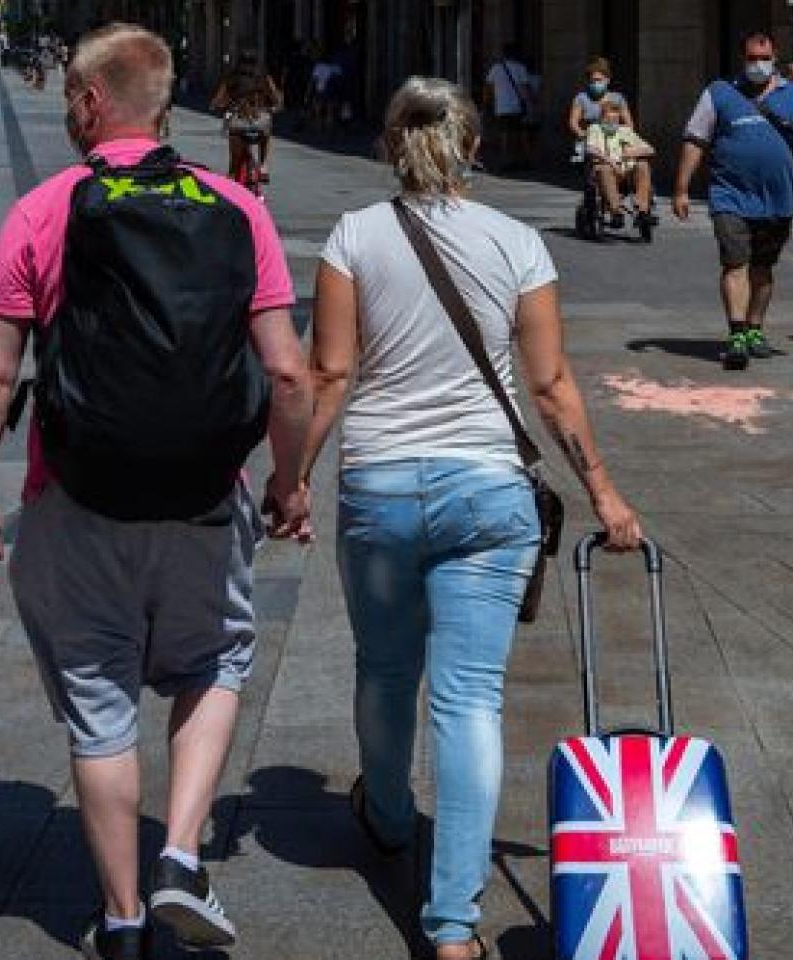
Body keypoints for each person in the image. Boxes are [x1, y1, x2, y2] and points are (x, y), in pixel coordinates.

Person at [0, 23, 312, 960]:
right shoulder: (235, 205)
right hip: (203, 493)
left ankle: (117, 922)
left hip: (78, 497)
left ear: (89, 103)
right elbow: (287, 374)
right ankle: (181, 855)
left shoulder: (43, 210)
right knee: (218, 662)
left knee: (99, 699)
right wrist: (290, 482)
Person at [302, 76, 643, 960]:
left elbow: (330, 373)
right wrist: (602, 490)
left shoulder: (353, 236)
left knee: (384, 669)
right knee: (470, 701)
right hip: (490, 493)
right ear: (473, 148)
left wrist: (291, 477)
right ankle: (452, 926)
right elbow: (550, 382)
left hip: (378, 485)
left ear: (389, 145)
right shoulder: (519, 241)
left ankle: (383, 815)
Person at [673, 33, 793, 370]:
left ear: (775, 58)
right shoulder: (719, 93)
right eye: (751, 58)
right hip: (729, 194)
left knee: (763, 269)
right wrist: (681, 188)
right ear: (742, 59)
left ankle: (754, 328)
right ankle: (736, 334)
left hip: (778, 198)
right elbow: (695, 140)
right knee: (735, 262)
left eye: (763, 58)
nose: (757, 64)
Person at [568, 57, 654, 229]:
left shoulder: (617, 99)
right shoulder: (582, 98)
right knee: (602, 167)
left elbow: (629, 124)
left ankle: (643, 210)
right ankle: (615, 210)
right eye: (592, 81)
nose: (595, 84)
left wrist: (626, 140)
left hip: (618, 143)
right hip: (594, 142)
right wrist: (585, 135)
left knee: (642, 164)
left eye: (599, 80)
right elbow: (573, 122)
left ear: (607, 80)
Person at [210, 51, 283, 184]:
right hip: (259, 123)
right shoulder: (263, 77)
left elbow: (217, 100)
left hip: (238, 123)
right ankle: (263, 166)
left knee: (234, 164)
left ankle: (232, 182)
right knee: (266, 130)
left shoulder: (231, 77)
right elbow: (276, 98)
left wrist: (216, 105)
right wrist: (274, 107)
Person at [482, 43, 535, 170]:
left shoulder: (496, 68)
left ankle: (505, 159)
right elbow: (525, 88)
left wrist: (486, 103)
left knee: (504, 133)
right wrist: (531, 103)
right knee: (519, 133)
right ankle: (521, 159)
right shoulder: (521, 68)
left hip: (502, 106)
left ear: (504, 54)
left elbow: (488, 87)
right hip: (517, 106)